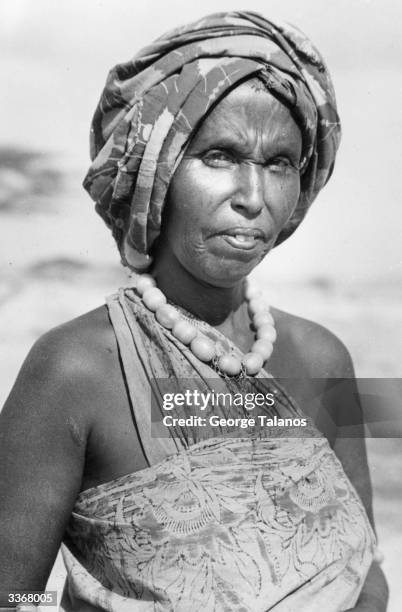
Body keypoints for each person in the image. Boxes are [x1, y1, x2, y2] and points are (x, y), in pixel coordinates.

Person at [0, 11, 388, 612]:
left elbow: (367, 570)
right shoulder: (75, 372)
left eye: (280, 162)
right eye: (219, 156)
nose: (254, 198)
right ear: (157, 174)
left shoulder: (321, 357)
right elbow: (11, 593)